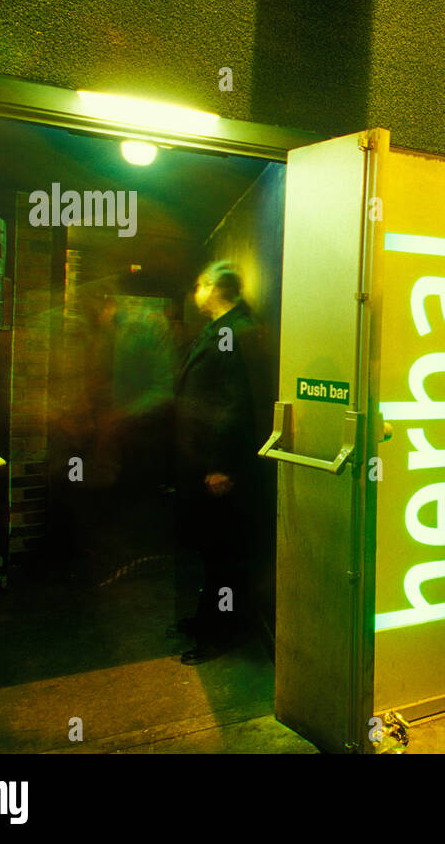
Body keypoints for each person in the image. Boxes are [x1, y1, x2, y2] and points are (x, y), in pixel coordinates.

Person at [174, 260, 270, 665]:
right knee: (213, 551)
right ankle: (209, 622)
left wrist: (220, 464)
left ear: (215, 288)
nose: (195, 291)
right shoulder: (221, 329)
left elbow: (235, 403)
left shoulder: (234, 332)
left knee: (223, 555)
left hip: (221, 468)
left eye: (200, 284)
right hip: (204, 463)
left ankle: (221, 633)